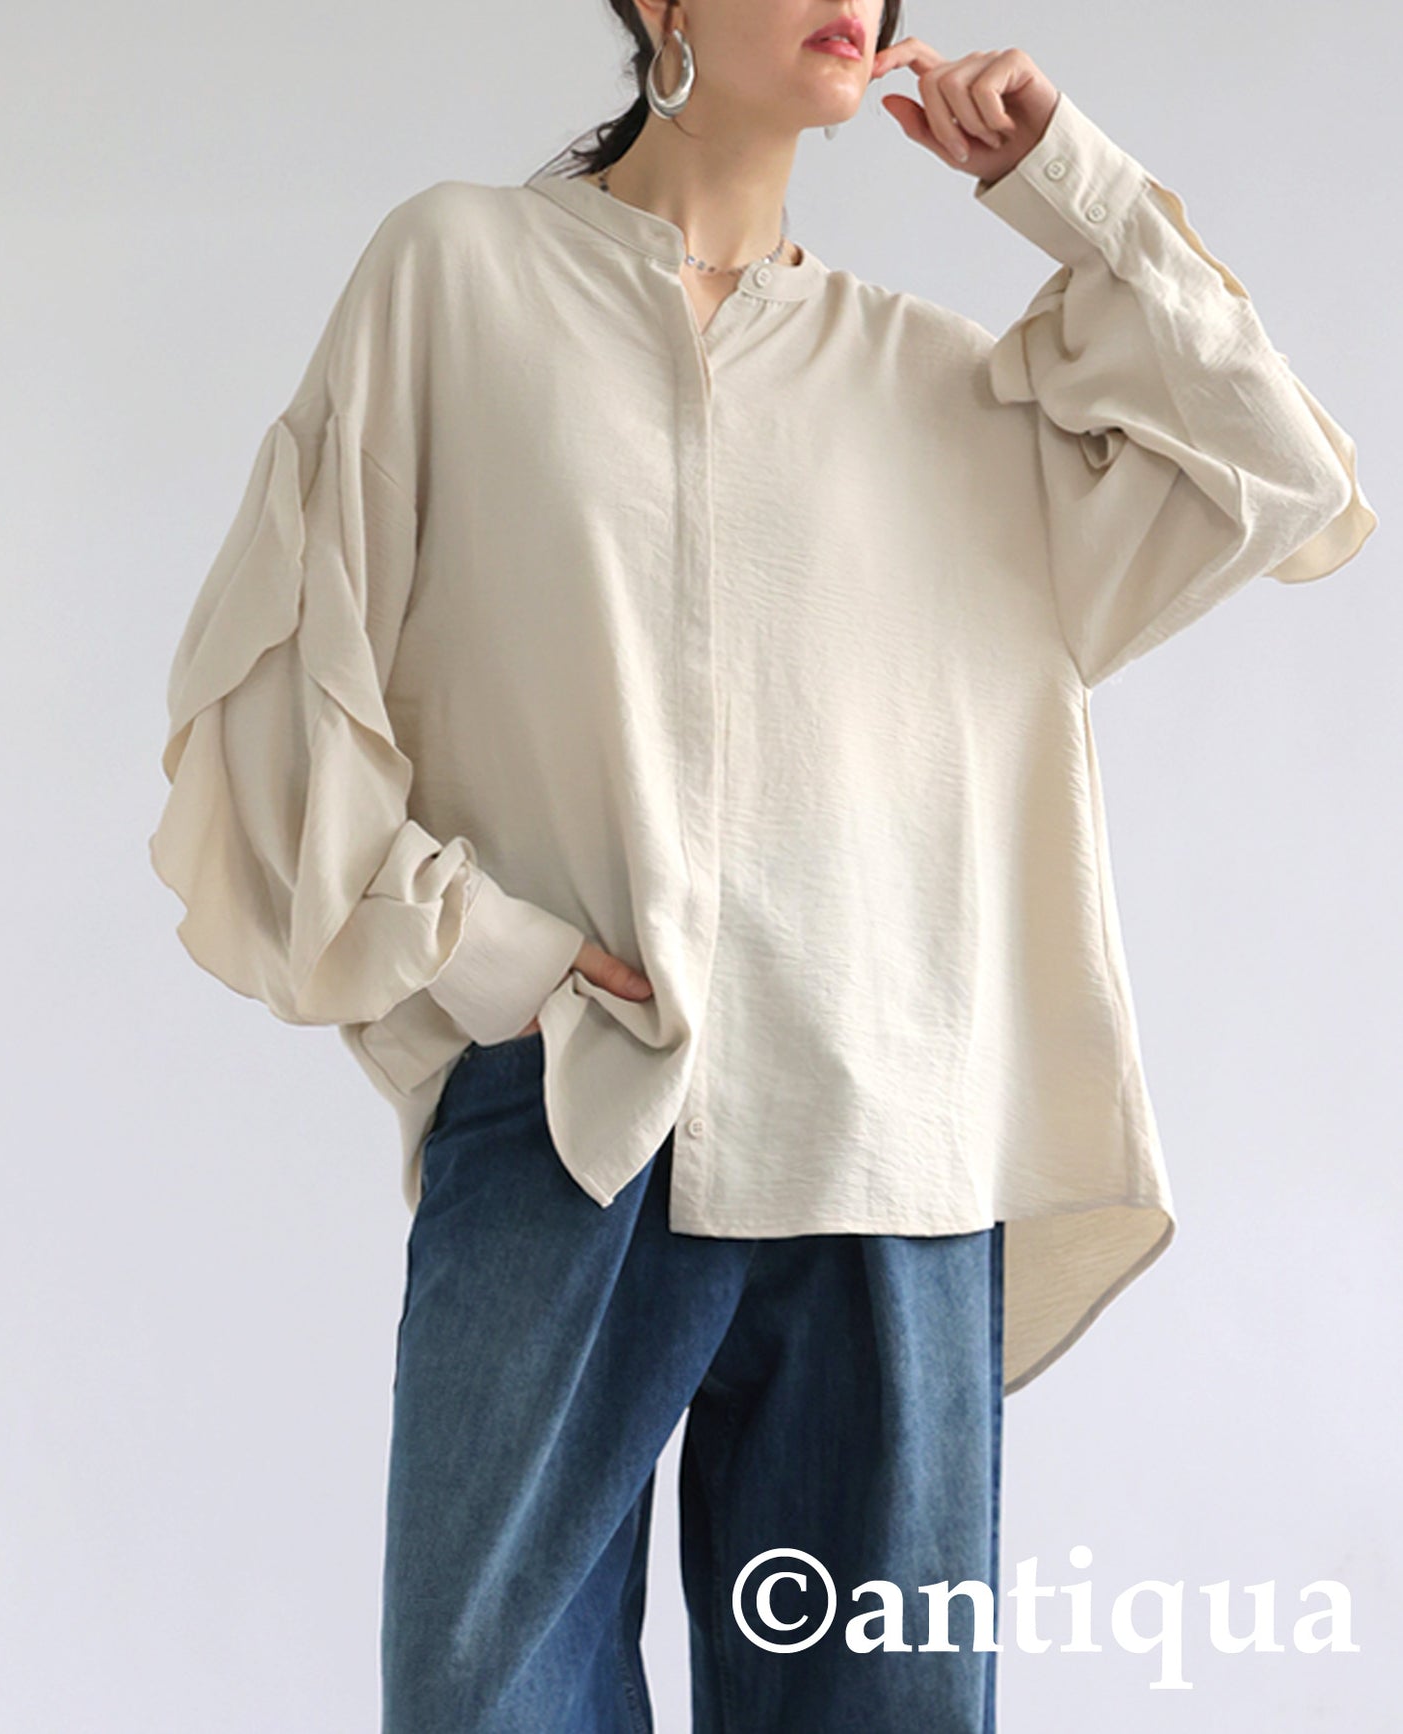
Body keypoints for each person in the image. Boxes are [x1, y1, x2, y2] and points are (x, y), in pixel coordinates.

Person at [147, 3, 1376, 1730]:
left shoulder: (940, 383)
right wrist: (497, 955)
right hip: (569, 1110)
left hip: (888, 1156)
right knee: (484, 1702)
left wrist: (1063, 183)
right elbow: (284, 695)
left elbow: (1281, 474)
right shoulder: (457, 279)